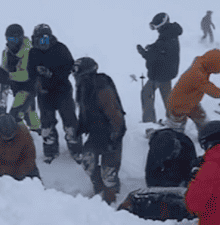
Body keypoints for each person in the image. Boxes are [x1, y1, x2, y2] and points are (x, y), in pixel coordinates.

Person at [73, 57, 126, 204]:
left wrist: (115, 138)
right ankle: (99, 188)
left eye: (77, 72)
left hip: (112, 132)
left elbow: (116, 116)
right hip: (96, 132)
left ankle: (112, 197)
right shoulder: (83, 87)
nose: (74, 76)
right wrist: (81, 126)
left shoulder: (102, 89)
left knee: (109, 173)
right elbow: (84, 110)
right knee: (88, 162)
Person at [28, 23, 80, 163]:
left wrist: (52, 74)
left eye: (46, 39)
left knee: (70, 122)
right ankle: (50, 152)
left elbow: (69, 67)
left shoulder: (60, 48)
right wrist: (37, 77)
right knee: (46, 124)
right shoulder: (33, 52)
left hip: (62, 90)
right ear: (35, 39)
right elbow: (30, 72)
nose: (43, 42)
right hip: (44, 93)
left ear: (50, 38)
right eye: (40, 39)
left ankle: (76, 150)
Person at [167, 49, 220, 133]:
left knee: (204, 124)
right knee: (176, 132)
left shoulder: (202, 62)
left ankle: (206, 136)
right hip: (178, 106)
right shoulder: (197, 76)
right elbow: (216, 93)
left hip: (192, 103)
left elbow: (219, 66)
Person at [137, 12, 182, 124]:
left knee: (146, 93)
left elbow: (153, 56)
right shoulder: (171, 33)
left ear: (162, 25)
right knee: (167, 97)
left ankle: (149, 121)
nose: (155, 29)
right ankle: (175, 119)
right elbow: (162, 49)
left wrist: (143, 52)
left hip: (159, 74)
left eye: (156, 27)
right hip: (167, 72)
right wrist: (153, 46)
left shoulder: (166, 37)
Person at [0, 24, 41, 132]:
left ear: (20, 38)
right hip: (17, 88)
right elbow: (5, 68)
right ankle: (39, 135)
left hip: (29, 87)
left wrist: (8, 76)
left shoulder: (29, 51)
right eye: (9, 38)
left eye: (15, 38)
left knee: (15, 116)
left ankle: (20, 139)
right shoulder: (6, 52)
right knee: (30, 114)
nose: (12, 42)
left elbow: (27, 74)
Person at [0, 114, 40, 183]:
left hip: (25, 165)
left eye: (11, 137)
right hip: (4, 169)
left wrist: (22, 171)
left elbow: (30, 155)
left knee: (36, 186)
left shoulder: (23, 131)